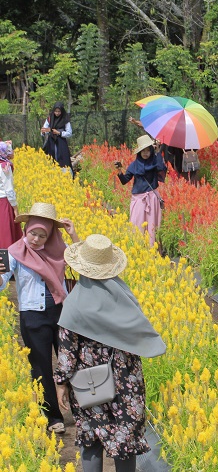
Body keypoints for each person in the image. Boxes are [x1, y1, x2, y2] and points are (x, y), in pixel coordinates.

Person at [54, 234, 166, 472]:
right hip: (126, 378)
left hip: (90, 379)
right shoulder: (124, 298)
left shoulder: (75, 303)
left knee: (92, 438)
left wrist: (61, 383)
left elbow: (67, 350)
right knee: (125, 439)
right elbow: (140, 333)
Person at [0, 202, 80, 434]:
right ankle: (53, 416)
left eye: (42, 235)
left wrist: (73, 234)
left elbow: (84, 261)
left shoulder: (58, 250)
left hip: (61, 311)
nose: (35, 239)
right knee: (41, 367)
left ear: (50, 235)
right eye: (33, 233)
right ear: (26, 230)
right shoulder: (14, 251)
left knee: (70, 362)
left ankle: (80, 411)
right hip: (33, 316)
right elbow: (4, 279)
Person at [116, 135, 167, 246]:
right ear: (139, 152)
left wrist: (158, 152)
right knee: (137, 224)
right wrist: (120, 171)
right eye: (143, 151)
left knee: (152, 226)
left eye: (148, 150)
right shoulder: (134, 165)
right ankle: (138, 248)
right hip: (138, 199)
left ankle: (151, 249)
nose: (145, 153)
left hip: (152, 198)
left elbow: (161, 168)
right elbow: (125, 181)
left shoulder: (154, 163)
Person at [0, 141, 21, 248]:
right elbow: (9, 190)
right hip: (4, 203)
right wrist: (15, 208)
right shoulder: (5, 167)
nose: (12, 153)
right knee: (6, 234)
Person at [41, 102, 73, 173]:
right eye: (55, 111)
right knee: (51, 160)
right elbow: (45, 129)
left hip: (61, 143)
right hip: (51, 142)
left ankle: (66, 176)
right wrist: (43, 131)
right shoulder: (50, 118)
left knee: (64, 161)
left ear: (62, 111)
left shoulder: (65, 119)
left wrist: (59, 133)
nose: (57, 113)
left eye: (59, 111)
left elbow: (69, 133)